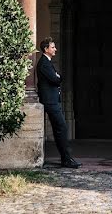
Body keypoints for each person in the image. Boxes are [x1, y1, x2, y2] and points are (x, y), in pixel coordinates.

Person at [36, 37, 81, 168]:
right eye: (53, 47)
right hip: (50, 102)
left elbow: (57, 77)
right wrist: (57, 77)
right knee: (61, 128)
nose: (55, 49)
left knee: (60, 129)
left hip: (53, 100)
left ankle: (66, 158)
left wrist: (57, 76)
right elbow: (56, 79)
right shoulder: (44, 63)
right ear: (46, 49)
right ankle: (66, 159)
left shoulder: (47, 62)